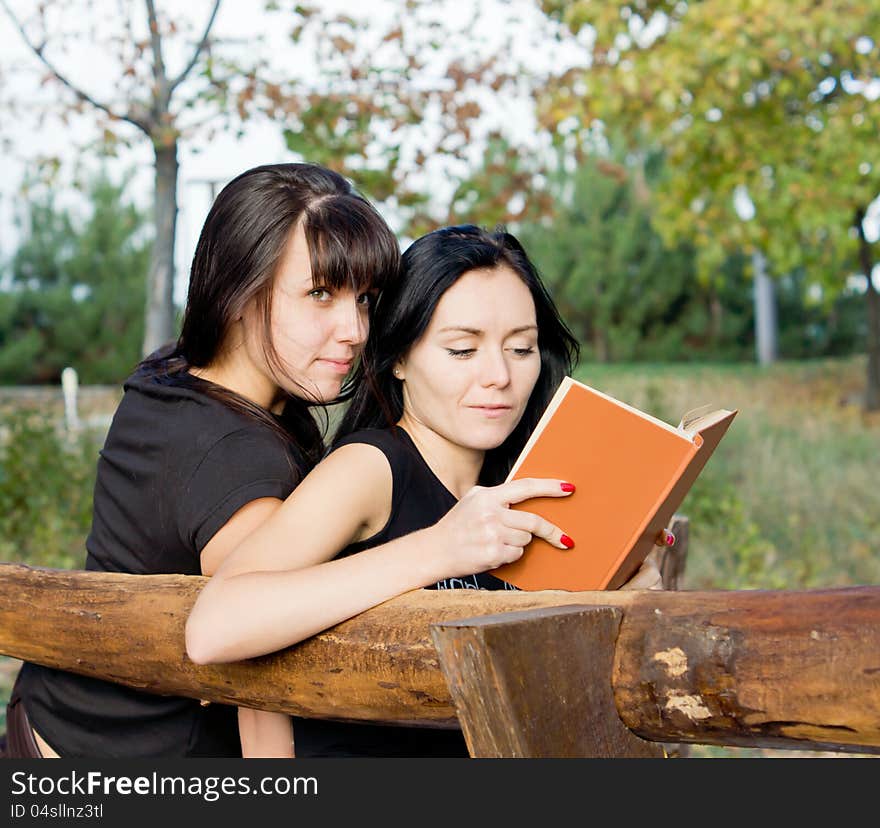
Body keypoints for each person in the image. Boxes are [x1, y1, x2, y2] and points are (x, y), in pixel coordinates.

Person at [185, 224, 666, 757]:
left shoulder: (523, 484)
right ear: (399, 358)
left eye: (522, 348)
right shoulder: (369, 468)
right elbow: (214, 627)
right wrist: (438, 549)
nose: (499, 376)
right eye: (462, 350)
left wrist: (624, 607)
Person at [4, 161, 402, 759]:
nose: (353, 328)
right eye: (320, 294)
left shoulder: (176, 377)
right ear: (241, 290)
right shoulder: (233, 456)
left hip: (53, 718)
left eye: (365, 299)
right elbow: (255, 648)